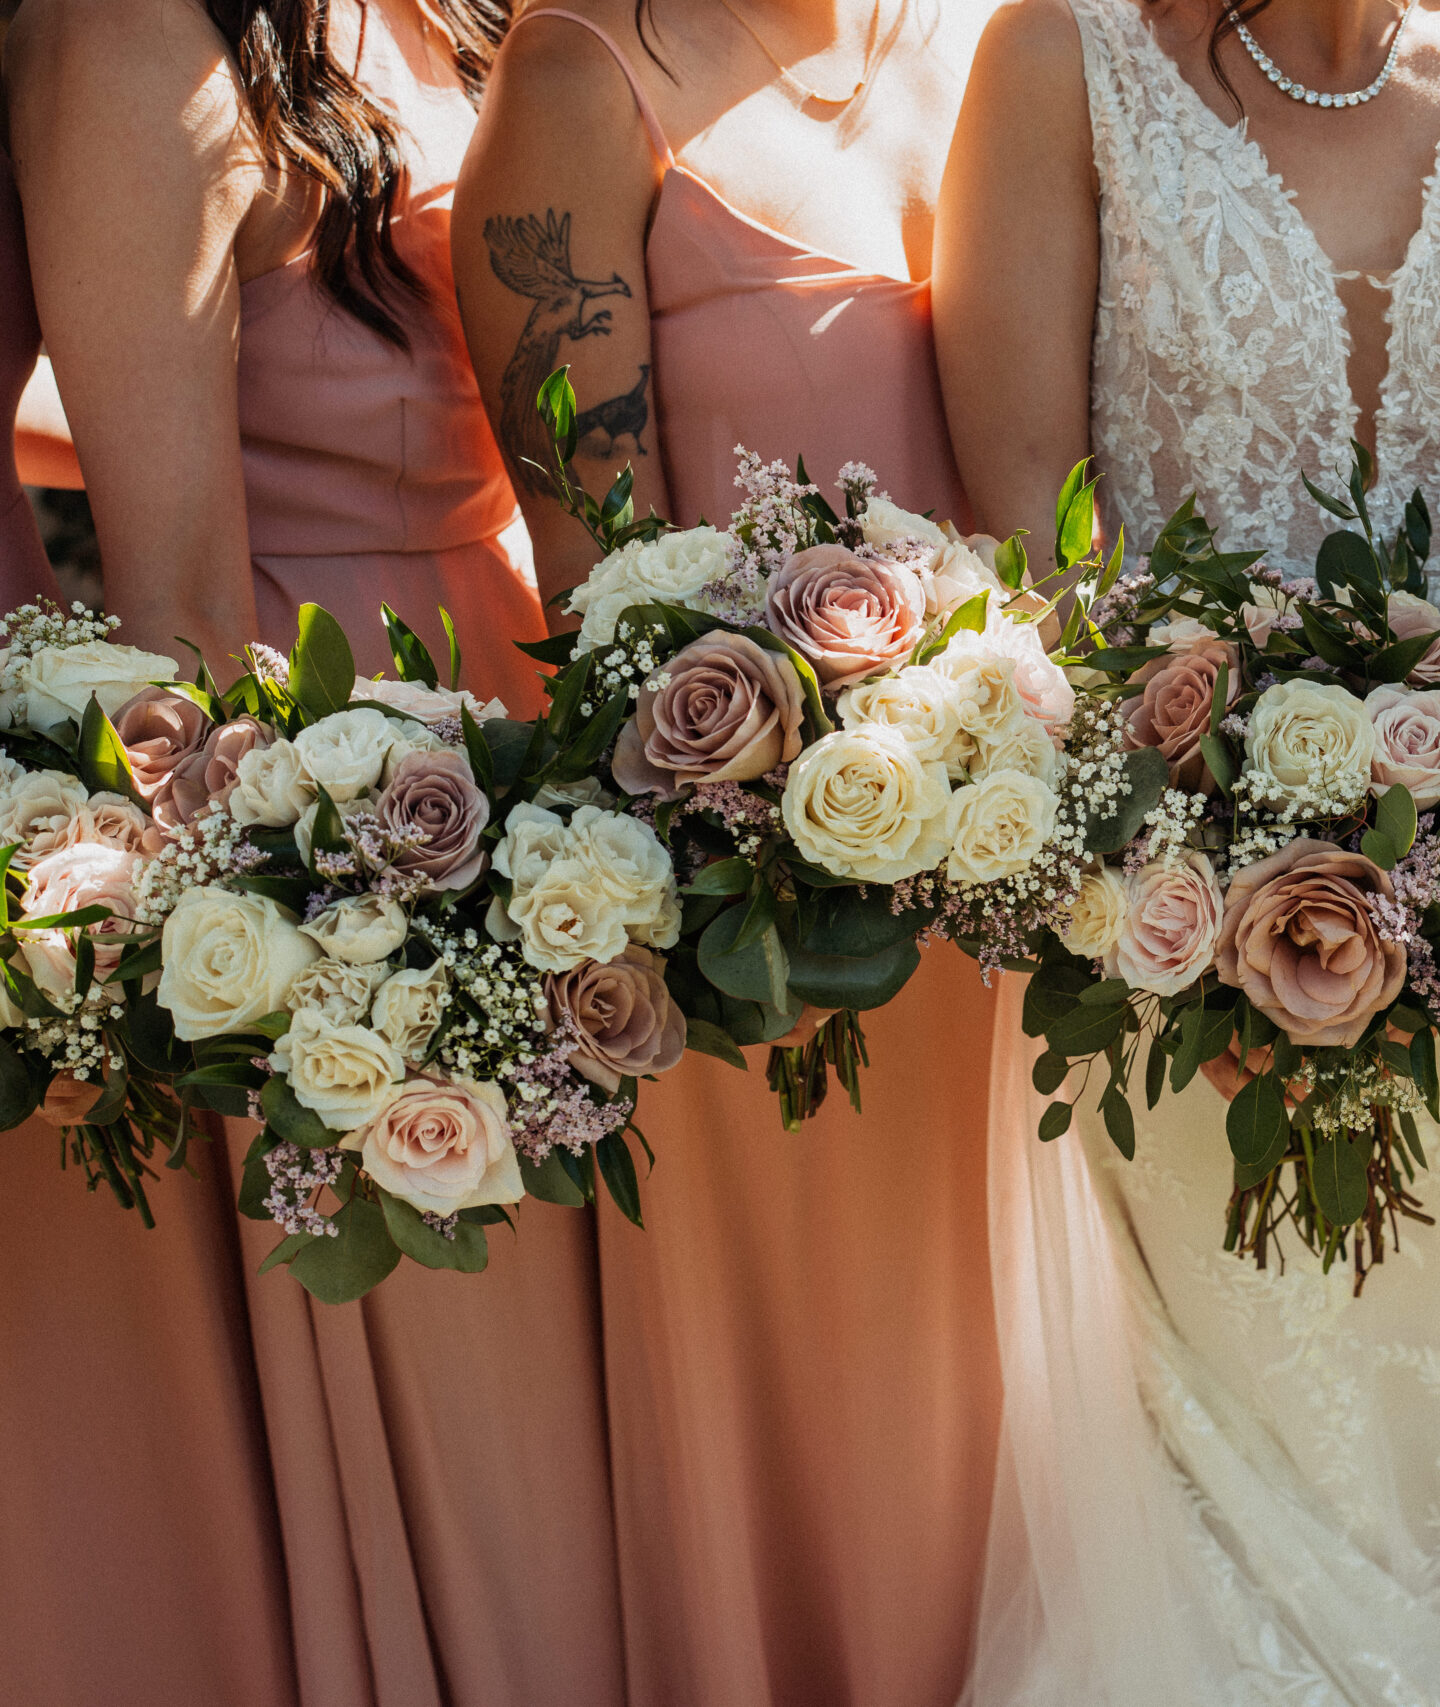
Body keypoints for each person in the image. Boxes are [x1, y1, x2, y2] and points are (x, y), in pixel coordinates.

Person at [931, 0, 1440, 1692]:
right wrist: (1213, 824)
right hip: (1171, 904)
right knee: (1223, 1478)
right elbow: (1034, 517)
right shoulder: (1063, 59)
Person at [6, 3, 625, 1700]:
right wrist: (311, 953)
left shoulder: (444, 15)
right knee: (478, 1454)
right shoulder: (140, 44)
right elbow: (182, 617)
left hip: (512, 733)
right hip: (342, 807)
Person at [453, 3, 1007, 1699]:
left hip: (1021, 905)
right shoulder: (574, 86)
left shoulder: (1004, 36)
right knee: (830, 1453)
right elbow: (604, 612)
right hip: (761, 934)